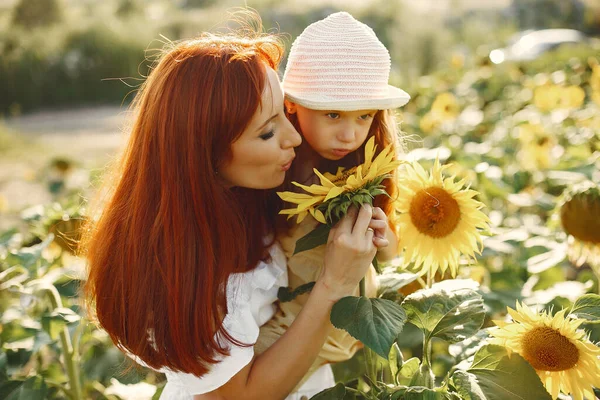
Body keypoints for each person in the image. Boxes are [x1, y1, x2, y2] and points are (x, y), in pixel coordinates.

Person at [81, 13, 388, 400]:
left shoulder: (240, 200)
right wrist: (334, 284)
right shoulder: (181, 268)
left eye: (285, 113)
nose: (293, 138)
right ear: (202, 152)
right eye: (268, 131)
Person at [255, 12, 411, 390]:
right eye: (333, 114)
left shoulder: (365, 169)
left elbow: (392, 252)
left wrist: (381, 236)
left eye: (364, 117)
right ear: (291, 105)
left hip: (343, 340)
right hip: (285, 341)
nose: (349, 134)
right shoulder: (273, 173)